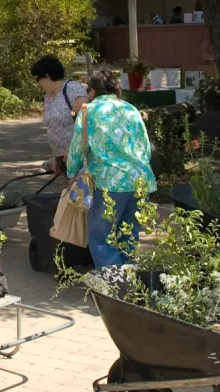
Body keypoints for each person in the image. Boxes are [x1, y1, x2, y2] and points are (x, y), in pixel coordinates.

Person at [66, 68, 156, 267]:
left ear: (92, 91)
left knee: (101, 237)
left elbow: (76, 149)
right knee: (129, 237)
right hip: (140, 181)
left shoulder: (89, 112)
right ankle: (129, 285)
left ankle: (115, 288)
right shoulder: (130, 109)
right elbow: (146, 146)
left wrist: (71, 172)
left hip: (109, 183)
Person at [30, 55, 88, 176]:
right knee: (68, 193)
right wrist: (54, 156)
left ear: (47, 77)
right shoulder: (48, 97)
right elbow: (52, 127)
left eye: (38, 80)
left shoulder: (72, 88)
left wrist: (72, 148)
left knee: (78, 192)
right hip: (61, 157)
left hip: (77, 156)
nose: (38, 84)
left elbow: (86, 119)